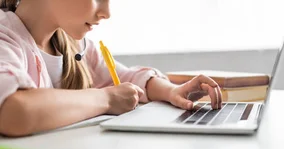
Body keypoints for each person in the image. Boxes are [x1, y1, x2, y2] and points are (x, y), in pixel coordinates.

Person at [0, 0, 222, 137]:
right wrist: (105, 99)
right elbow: (13, 112)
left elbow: (124, 77)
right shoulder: (5, 37)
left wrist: (171, 90)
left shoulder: (74, 45)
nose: (106, 12)